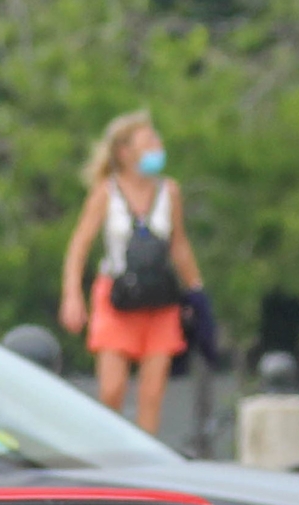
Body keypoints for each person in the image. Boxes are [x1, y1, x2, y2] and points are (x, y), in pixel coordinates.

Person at [58, 110, 207, 433]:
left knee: (152, 395)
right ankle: (106, 452)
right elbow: (79, 245)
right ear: (125, 152)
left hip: (160, 298)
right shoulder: (106, 192)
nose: (157, 146)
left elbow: (179, 244)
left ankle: (144, 466)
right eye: (149, 141)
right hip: (117, 296)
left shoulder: (169, 192)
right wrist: (72, 294)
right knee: (112, 390)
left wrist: (197, 291)